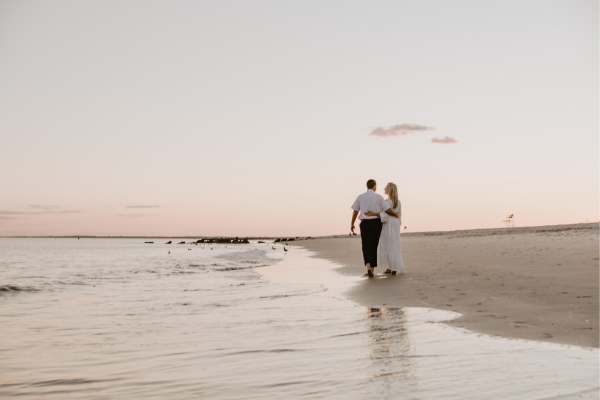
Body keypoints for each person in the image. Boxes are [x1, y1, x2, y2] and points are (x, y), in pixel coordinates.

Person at [351, 179, 399, 277]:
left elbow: (355, 211)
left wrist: (352, 223)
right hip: (376, 224)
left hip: (365, 223)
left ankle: (368, 267)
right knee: (374, 246)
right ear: (374, 186)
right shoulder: (379, 197)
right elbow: (388, 210)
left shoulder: (360, 197)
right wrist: (395, 214)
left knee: (365, 245)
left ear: (367, 186)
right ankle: (372, 270)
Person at [365, 182, 404, 275]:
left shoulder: (386, 201)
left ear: (389, 190)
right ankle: (394, 267)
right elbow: (399, 215)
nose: (384, 189)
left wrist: (374, 214)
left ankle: (389, 268)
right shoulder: (398, 201)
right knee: (394, 244)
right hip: (395, 223)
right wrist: (397, 222)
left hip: (388, 224)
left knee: (387, 244)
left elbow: (385, 216)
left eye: (386, 188)